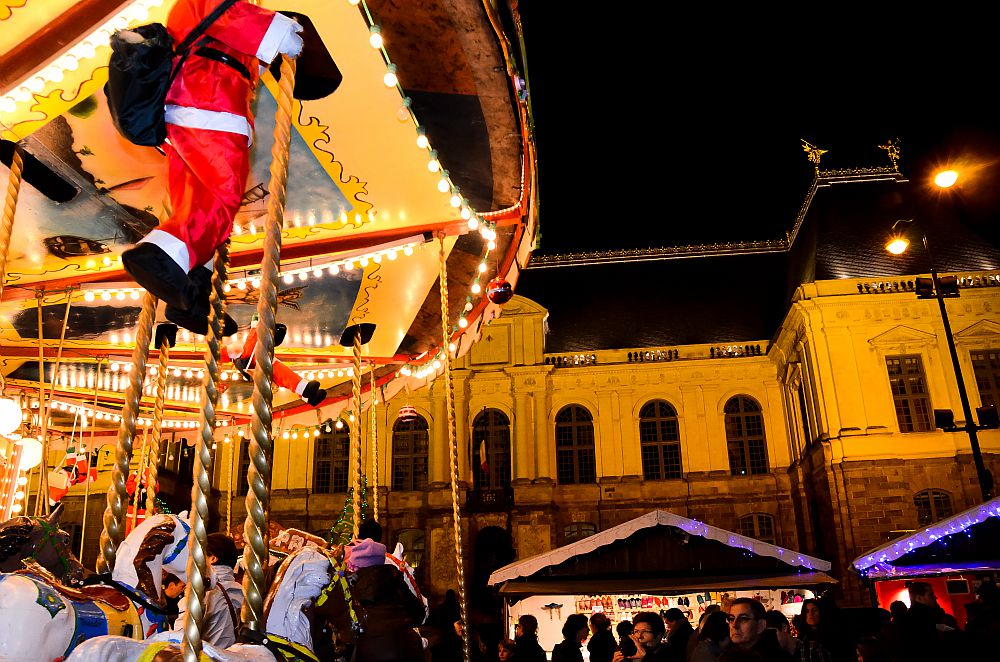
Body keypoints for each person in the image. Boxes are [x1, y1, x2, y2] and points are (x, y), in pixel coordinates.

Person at [121, 0, 304, 337]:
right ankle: (158, 256)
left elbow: (232, 36)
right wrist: (278, 30)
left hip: (196, 104)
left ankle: (192, 292)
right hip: (210, 101)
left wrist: (265, 49)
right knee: (222, 198)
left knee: (198, 202)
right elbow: (227, 15)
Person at [348, 537, 426, 662]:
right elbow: (419, 614)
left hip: (371, 651)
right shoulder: (395, 578)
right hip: (406, 646)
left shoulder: (352, 586)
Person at [726, 598, 790, 662]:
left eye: (743, 619)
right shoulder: (725, 656)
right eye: (731, 619)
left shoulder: (778, 657)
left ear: (761, 625)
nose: (734, 625)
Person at [764, 610, 829, 662]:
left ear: (784, 628)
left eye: (772, 634)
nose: (769, 640)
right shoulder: (772, 656)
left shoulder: (813, 650)